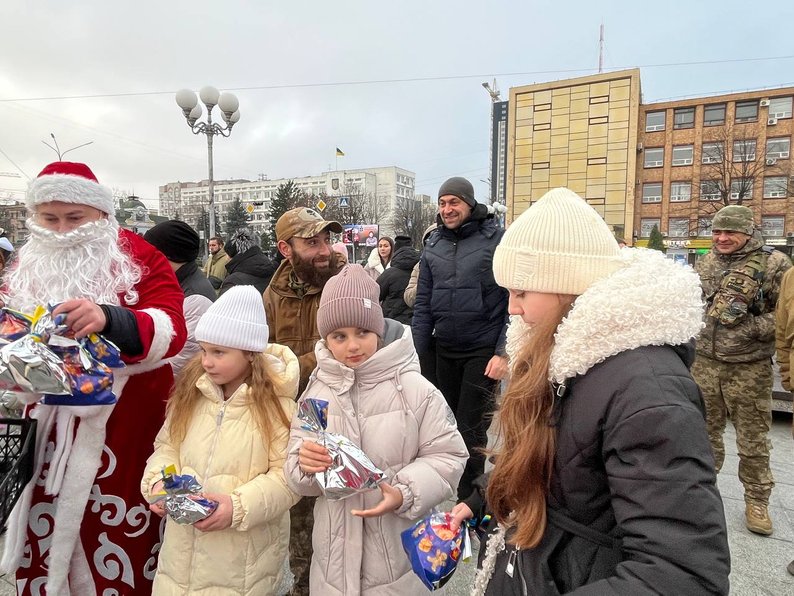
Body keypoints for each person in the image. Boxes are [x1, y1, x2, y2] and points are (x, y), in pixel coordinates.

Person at [451, 187, 730, 595]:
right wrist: (483, 498)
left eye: (521, 292)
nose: (512, 308)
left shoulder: (646, 391)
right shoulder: (568, 355)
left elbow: (682, 572)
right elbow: (563, 466)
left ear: (568, 286)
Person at [0, 161, 187, 595]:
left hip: (125, 424)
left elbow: (173, 327)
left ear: (101, 213)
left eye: (74, 217)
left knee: (121, 539)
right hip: (44, 425)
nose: (62, 230)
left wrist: (109, 318)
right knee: (42, 534)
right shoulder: (27, 260)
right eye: (50, 218)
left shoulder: (139, 255)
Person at [284, 264, 467, 595]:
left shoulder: (416, 391)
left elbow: (448, 455)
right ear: (326, 339)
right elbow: (297, 466)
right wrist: (305, 464)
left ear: (379, 331)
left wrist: (404, 491)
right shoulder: (316, 394)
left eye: (363, 332)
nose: (353, 345)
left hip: (395, 561)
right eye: (339, 336)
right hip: (333, 564)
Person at [142, 286, 300, 595]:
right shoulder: (191, 396)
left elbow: (287, 478)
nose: (207, 362)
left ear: (250, 354)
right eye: (204, 350)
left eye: (219, 352)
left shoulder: (278, 409)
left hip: (243, 566)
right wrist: (160, 484)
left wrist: (236, 507)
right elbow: (167, 447)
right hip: (179, 562)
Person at [692, 205, 791, 536]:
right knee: (702, 435)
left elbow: (786, 315)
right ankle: (701, 496)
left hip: (749, 367)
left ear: (748, 232)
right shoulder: (707, 261)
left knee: (753, 440)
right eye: (717, 232)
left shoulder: (775, 264)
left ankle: (757, 501)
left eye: (730, 232)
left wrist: (752, 329)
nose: (721, 238)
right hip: (705, 364)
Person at [412, 176, 508, 502]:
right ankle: (448, 492)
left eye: (454, 202)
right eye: (442, 203)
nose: (447, 209)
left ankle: (471, 502)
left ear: (469, 203)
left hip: (481, 349)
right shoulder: (433, 244)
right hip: (444, 349)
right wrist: (414, 355)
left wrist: (503, 351)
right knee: (444, 425)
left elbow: (511, 301)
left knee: (471, 427)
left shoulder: (495, 240)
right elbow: (423, 305)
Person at [263, 206, 343, 595]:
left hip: (341, 411)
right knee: (300, 511)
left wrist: (291, 366)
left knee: (343, 510)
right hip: (294, 416)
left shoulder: (343, 284)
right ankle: (304, 584)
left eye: (326, 240)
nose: (324, 250)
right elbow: (261, 358)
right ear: (286, 248)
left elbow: (343, 352)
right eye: (312, 242)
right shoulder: (271, 295)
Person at [144, 220, 216, 375]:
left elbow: (182, 361)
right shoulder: (177, 284)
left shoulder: (195, 297)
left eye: (150, 254)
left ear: (169, 255)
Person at [220, 227, 276, 295]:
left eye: (227, 254)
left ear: (233, 255)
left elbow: (224, 302)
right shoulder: (274, 273)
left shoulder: (233, 282)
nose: (226, 258)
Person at [377, 235, 419, 324]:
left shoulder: (389, 273)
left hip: (392, 323)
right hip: (417, 320)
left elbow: (375, 294)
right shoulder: (421, 270)